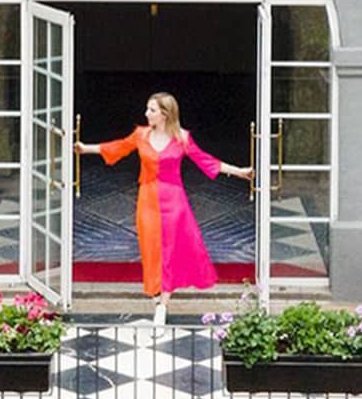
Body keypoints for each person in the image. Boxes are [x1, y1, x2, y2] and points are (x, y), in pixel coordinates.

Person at [75, 92, 253, 326]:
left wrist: (240, 172)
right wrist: (86, 148)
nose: (146, 114)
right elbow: (118, 147)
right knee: (151, 248)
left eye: (151, 110)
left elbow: (206, 161)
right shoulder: (141, 134)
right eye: (148, 109)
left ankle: (163, 302)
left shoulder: (182, 138)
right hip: (147, 199)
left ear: (165, 114)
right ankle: (157, 295)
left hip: (174, 200)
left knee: (169, 251)